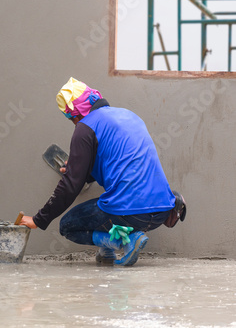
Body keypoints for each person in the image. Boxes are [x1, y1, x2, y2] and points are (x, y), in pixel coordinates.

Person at [20, 77, 186, 266]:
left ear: (75, 112)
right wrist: (79, 167)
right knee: (110, 203)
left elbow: (70, 186)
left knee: (67, 226)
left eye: (70, 117)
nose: (73, 122)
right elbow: (117, 163)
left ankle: (127, 241)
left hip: (131, 213)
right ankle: (107, 252)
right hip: (162, 211)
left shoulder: (85, 127)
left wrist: (39, 220)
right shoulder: (129, 116)